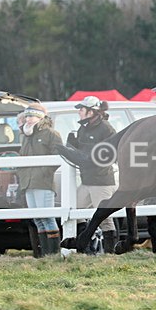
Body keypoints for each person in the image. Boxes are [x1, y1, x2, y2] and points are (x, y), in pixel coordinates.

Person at [55, 96, 118, 254]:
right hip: (87, 180)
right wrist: (73, 146)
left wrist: (90, 157)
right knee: (75, 211)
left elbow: (112, 153)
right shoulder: (83, 128)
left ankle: (110, 253)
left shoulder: (106, 128)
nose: (79, 112)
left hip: (101, 182)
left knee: (105, 218)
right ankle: (87, 248)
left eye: (81, 109)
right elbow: (81, 153)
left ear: (91, 111)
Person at [17, 105, 63, 256]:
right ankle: (44, 253)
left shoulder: (51, 134)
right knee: (37, 218)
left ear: (40, 117)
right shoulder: (25, 135)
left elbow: (58, 157)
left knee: (47, 217)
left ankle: (53, 253)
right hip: (28, 182)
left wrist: (44, 172)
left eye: (31, 116)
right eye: (27, 116)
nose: (28, 119)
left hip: (43, 182)